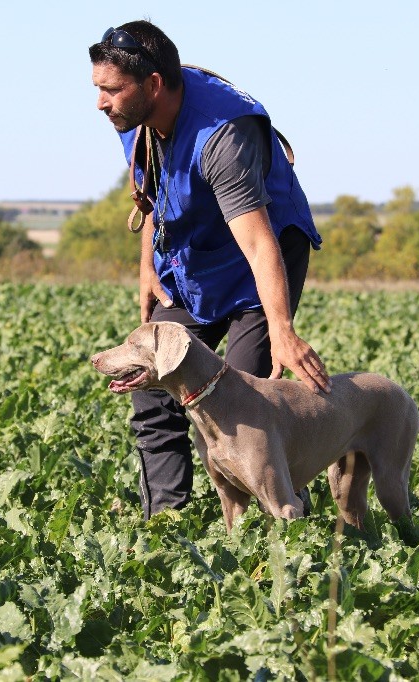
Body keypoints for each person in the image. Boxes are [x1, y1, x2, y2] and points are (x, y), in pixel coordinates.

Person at [89, 20, 331, 519]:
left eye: (111, 89)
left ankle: (288, 522)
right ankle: (167, 525)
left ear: (154, 84)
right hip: (193, 262)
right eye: (98, 88)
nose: (101, 102)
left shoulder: (223, 135)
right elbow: (152, 187)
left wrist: (282, 330)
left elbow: (260, 244)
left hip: (258, 267)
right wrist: (147, 266)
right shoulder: (134, 119)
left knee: (241, 399)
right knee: (151, 382)